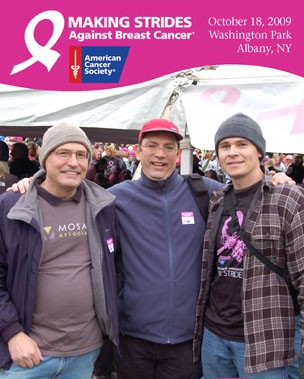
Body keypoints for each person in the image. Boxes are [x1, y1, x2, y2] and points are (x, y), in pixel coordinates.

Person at [7, 119, 295, 379]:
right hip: (133, 339)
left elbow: (248, 188)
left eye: (169, 147)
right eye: (152, 146)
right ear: (139, 150)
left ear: (179, 154)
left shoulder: (204, 192)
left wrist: (278, 181)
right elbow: (62, 190)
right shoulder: (112, 200)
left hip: (187, 341)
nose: (160, 154)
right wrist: (30, 184)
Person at [0, 123, 119, 379]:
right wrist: (12, 333)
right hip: (26, 353)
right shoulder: (13, 206)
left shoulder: (104, 207)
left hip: (85, 352)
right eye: (63, 153)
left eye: (81, 155)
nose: (73, 162)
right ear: (45, 158)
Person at [193, 113, 304, 379]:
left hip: (265, 340)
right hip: (214, 336)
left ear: (259, 151)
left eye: (242, 144)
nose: (232, 152)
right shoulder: (217, 200)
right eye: (225, 146)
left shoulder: (288, 199)